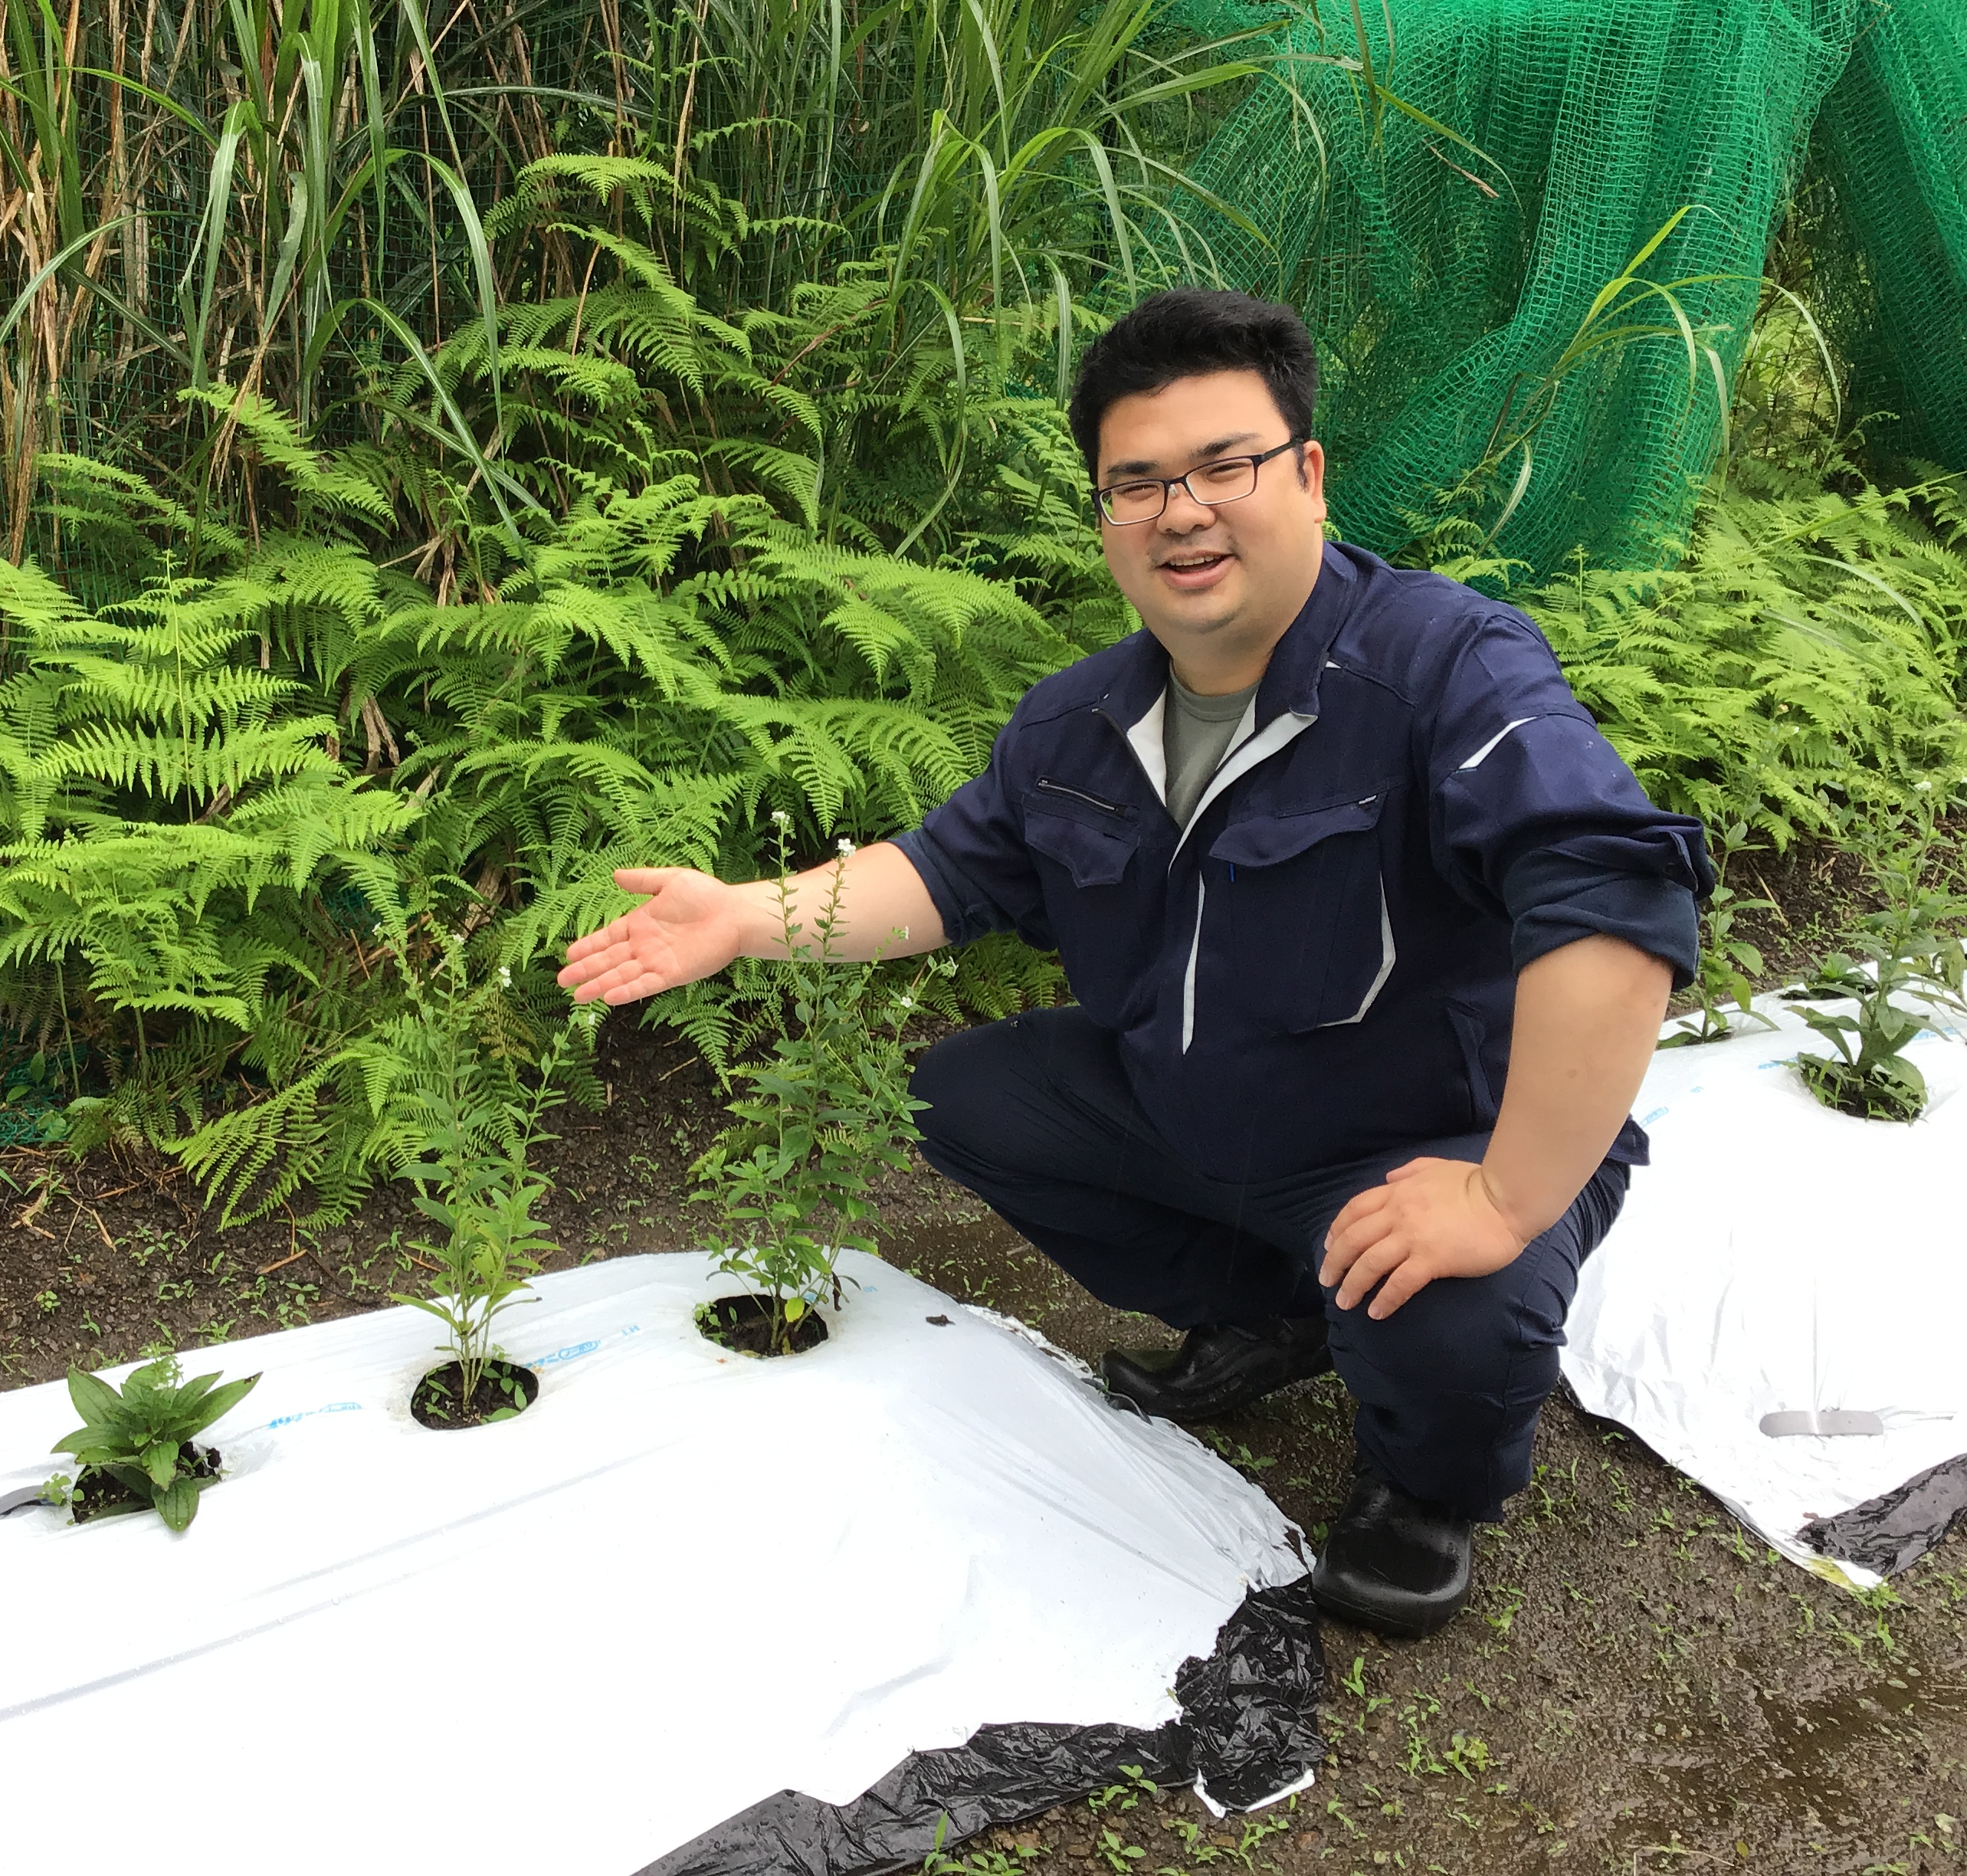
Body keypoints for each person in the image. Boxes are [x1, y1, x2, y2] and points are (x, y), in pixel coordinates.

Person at [556, 289, 1709, 1637]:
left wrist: (1508, 1196)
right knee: (971, 1094)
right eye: (1138, 482)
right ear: (1105, 514)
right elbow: (941, 872)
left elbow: (1613, 896)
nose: (1183, 510)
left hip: (1419, 1143)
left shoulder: (1445, 667)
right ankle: (1274, 1318)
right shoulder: (1079, 722)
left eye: (1225, 465)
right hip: (1202, 1117)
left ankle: (1421, 1481)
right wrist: (749, 915)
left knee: (1456, 1313)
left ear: (1310, 475)